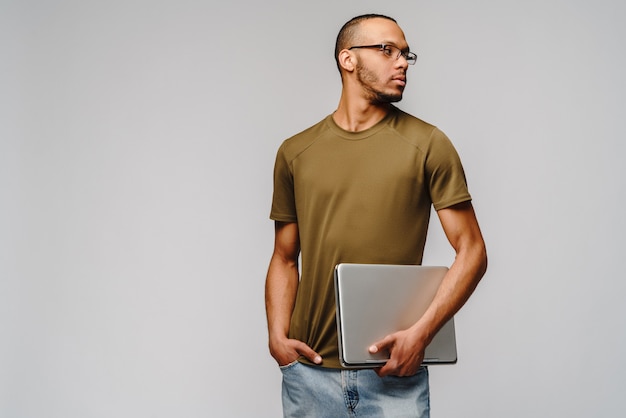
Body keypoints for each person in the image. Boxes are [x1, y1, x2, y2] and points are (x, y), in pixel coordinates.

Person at [265, 13, 487, 417]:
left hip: (393, 375)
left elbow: (473, 251)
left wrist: (422, 334)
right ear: (348, 60)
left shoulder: (429, 144)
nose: (402, 62)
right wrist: (277, 339)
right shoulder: (295, 152)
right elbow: (283, 257)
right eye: (387, 50)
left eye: (406, 54)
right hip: (309, 376)